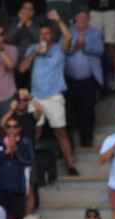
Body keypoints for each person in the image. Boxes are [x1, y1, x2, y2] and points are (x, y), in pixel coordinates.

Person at [17, 10, 79, 176]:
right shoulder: (32, 48)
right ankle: (30, 164)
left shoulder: (59, 49)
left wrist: (59, 20)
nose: (44, 36)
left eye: (47, 34)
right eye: (41, 34)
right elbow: (22, 68)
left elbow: (69, 38)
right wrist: (35, 52)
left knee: (61, 132)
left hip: (54, 96)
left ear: (52, 35)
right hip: (35, 97)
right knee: (34, 131)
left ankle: (71, 165)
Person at [64, 8, 105, 149]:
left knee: (87, 110)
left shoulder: (95, 32)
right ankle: (71, 144)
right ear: (75, 18)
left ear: (88, 19)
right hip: (70, 79)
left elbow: (100, 50)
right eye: (79, 17)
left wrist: (85, 46)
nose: (82, 20)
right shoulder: (68, 31)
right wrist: (73, 47)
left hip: (88, 79)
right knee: (70, 110)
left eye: (84, 17)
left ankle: (86, 141)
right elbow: (63, 50)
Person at [0, 115, 34, 219]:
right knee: (0, 218)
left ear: (19, 128)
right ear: (5, 129)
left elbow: (29, 160)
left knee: (19, 217)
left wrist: (16, 151)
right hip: (1, 186)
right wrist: (5, 152)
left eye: (15, 127)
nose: (12, 129)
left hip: (18, 186)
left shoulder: (25, 142)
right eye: (9, 127)